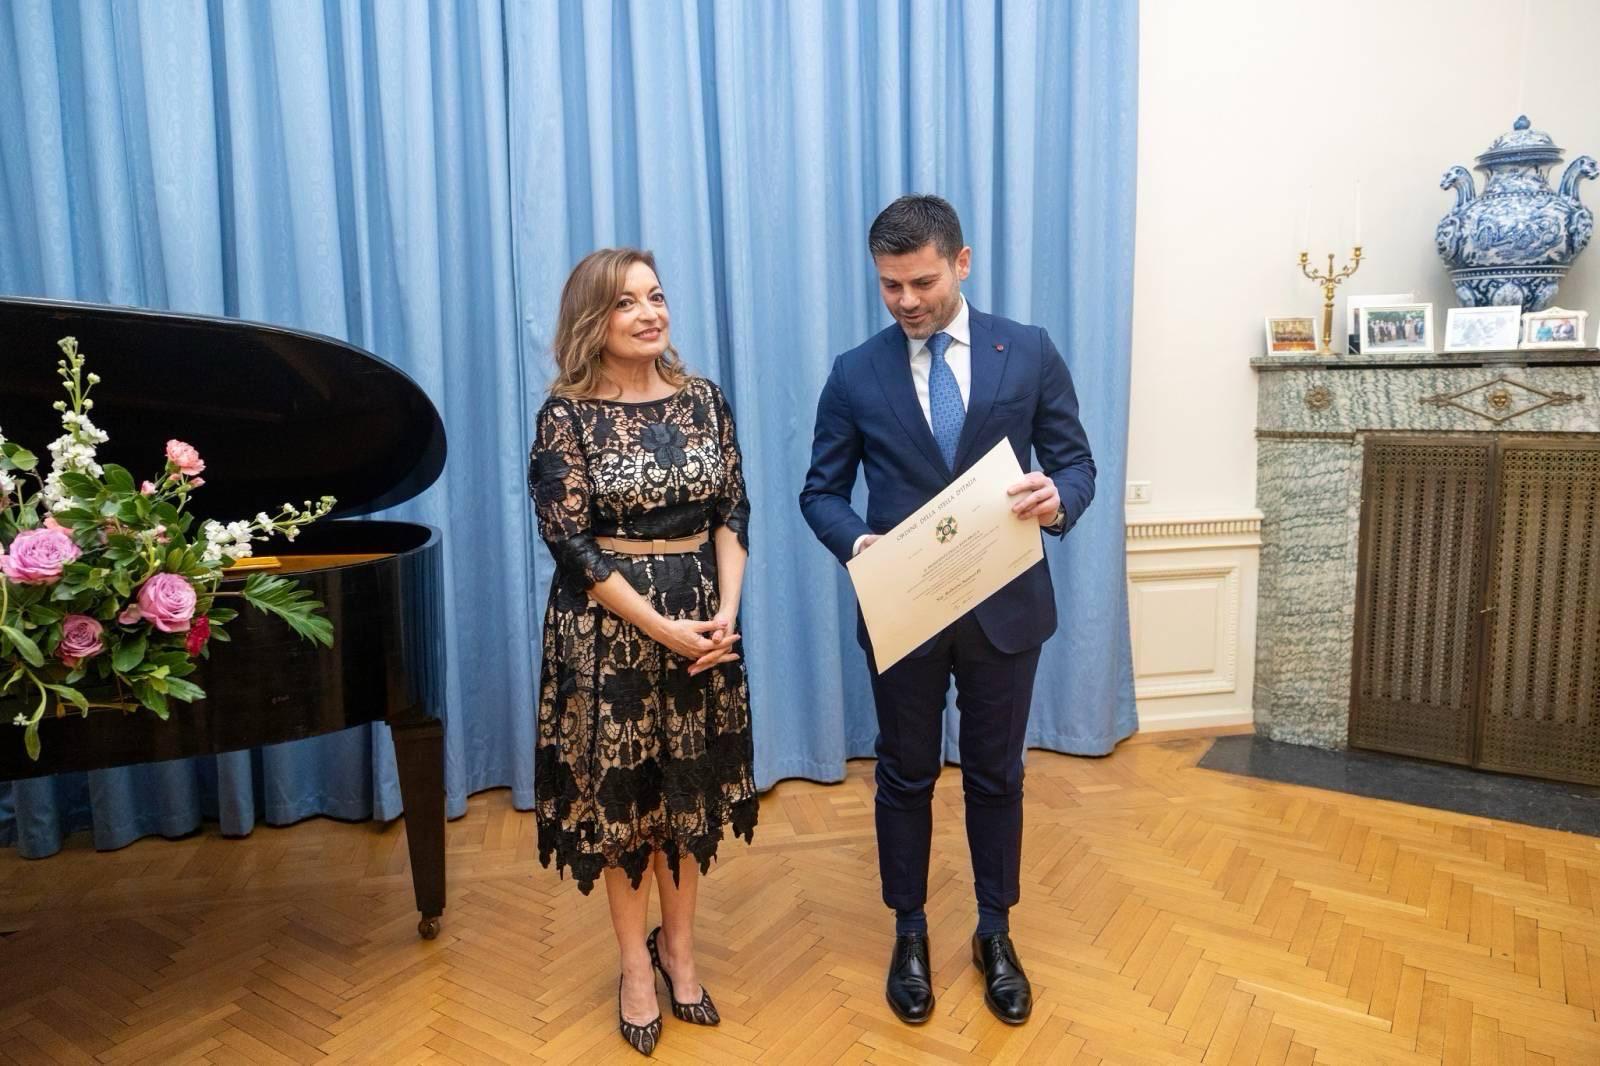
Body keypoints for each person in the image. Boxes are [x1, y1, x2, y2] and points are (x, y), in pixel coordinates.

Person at [799, 195, 1096, 1027]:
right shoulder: (854, 372)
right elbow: (821, 492)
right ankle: (910, 933)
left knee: (999, 776)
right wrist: (859, 544)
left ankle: (994, 932)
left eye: (922, 282)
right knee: (905, 776)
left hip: (1007, 611)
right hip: (904, 611)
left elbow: (1076, 463)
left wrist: (1057, 499)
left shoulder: (1028, 350)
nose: (906, 301)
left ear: (961, 263)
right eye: (889, 285)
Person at [528, 248, 758, 1056]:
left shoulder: (705, 400)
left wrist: (725, 614)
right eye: (627, 302)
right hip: (606, 636)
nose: (650, 313)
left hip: (704, 629)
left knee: (687, 800)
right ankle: (634, 966)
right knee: (625, 808)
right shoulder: (565, 415)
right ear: (594, 320)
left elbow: (733, 510)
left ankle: (679, 952)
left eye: (655, 296)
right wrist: (661, 627)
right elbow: (570, 544)